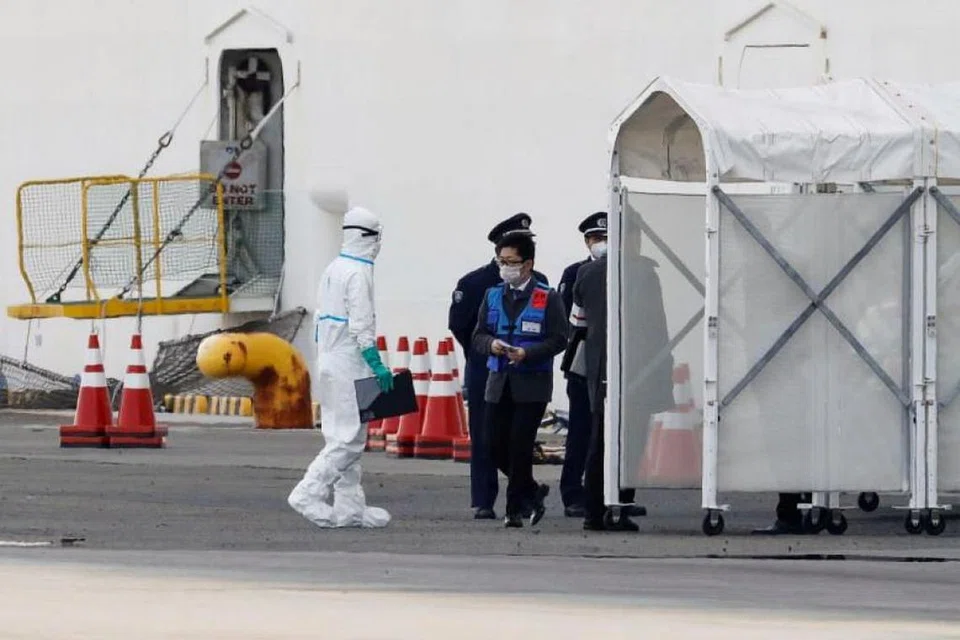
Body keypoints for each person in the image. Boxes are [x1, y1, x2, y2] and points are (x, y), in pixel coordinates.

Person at [287, 206, 393, 529]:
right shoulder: (358, 274)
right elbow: (362, 327)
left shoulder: (334, 268)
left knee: (339, 432)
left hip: (330, 360)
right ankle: (307, 493)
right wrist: (378, 366)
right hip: (349, 362)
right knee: (349, 439)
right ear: (368, 237)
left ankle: (349, 508)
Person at [448, 213, 550, 520]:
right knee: (485, 437)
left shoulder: (539, 283)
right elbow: (461, 326)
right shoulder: (475, 282)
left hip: (525, 372)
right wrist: (483, 352)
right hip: (486, 369)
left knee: (517, 438)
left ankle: (523, 493)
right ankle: (484, 499)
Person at [569, 234, 673, 531]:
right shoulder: (644, 273)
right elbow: (657, 326)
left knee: (599, 441)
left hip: (598, 368)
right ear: (635, 240)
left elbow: (578, 324)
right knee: (631, 442)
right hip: (637, 368)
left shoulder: (586, 272)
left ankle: (593, 509)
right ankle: (619, 506)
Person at [471, 232, 567, 527]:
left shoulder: (547, 297)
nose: (506, 267)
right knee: (492, 444)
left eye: (511, 262)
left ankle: (515, 510)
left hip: (531, 384)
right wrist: (492, 345)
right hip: (499, 382)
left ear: (528, 264)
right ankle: (531, 491)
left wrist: (529, 352)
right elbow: (478, 335)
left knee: (519, 445)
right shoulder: (493, 295)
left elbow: (559, 339)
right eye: (501, 261)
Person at [557, 211, 607, 518]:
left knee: (609, 433)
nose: (599, 244)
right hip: (583, 361)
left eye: (604, 238)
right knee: (580, 430)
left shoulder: (624, 268)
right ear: (586, 242)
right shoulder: (575, 272)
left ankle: (606, 493)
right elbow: (567, 320)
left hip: (614, 363)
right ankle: (572, 493)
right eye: (594, 238)